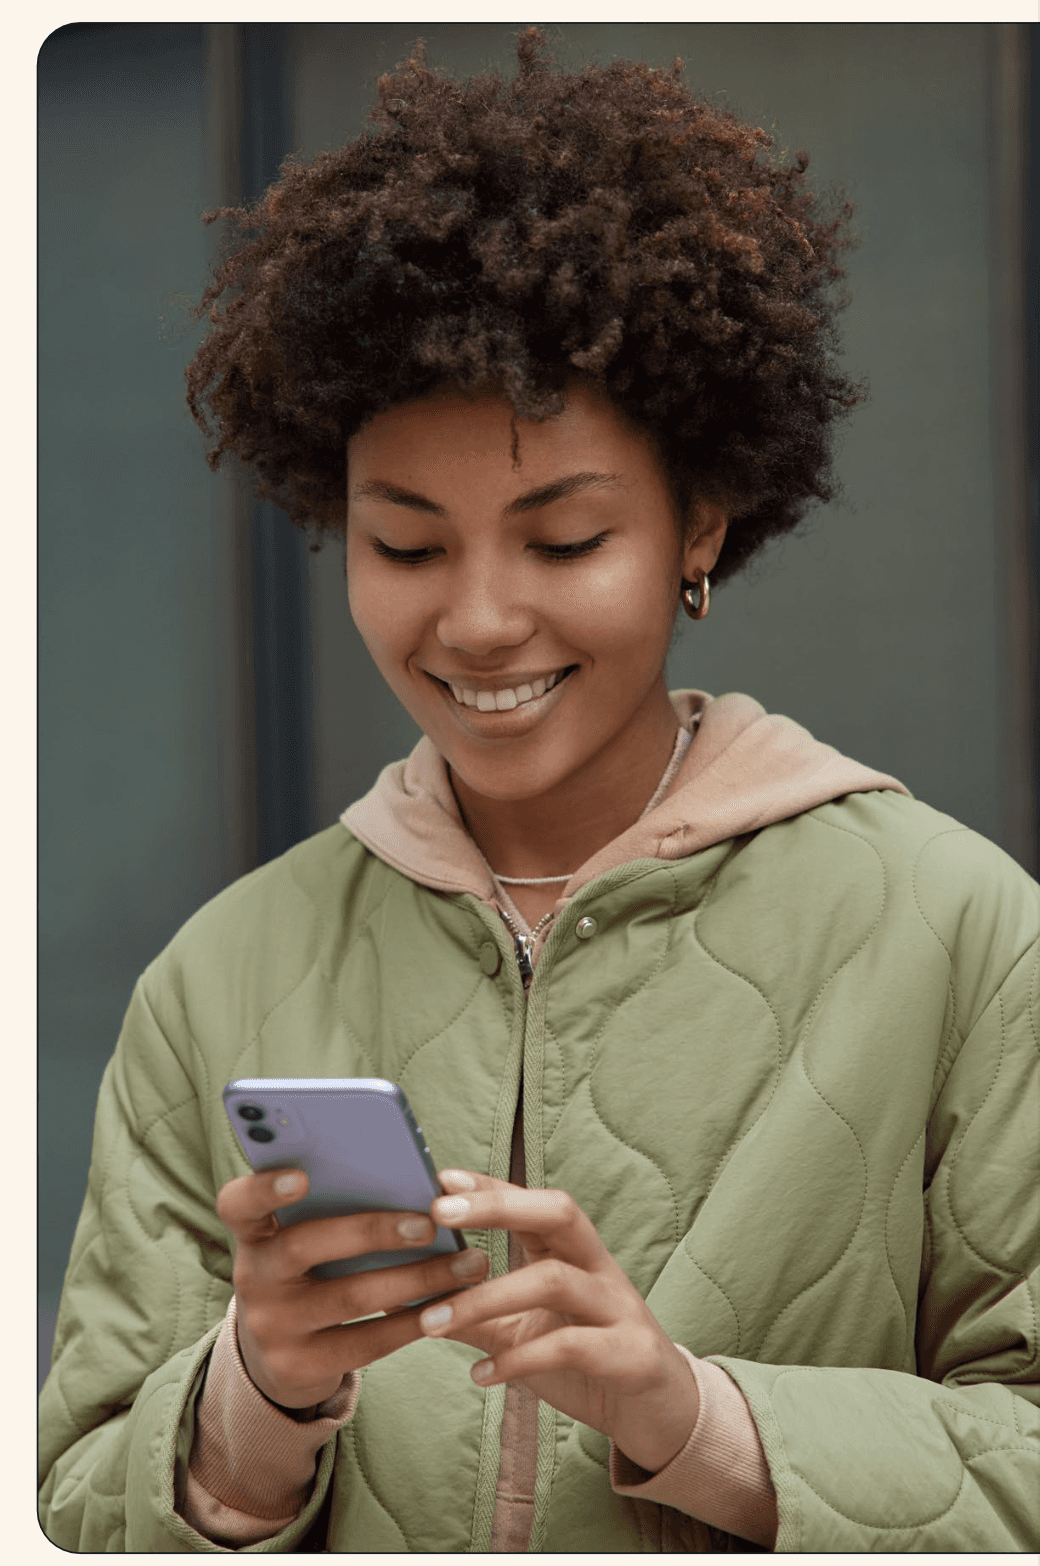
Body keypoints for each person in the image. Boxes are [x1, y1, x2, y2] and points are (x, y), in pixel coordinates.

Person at [39, 28, 1038, 1553]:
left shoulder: (963, 937)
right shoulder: (220, 976)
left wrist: (690, 1416)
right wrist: (251, 1405)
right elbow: (72, 1497)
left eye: (565, 541)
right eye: (409, 544)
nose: (481, 619)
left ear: (700, 519)